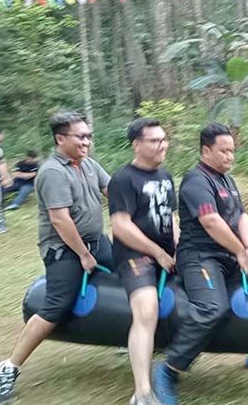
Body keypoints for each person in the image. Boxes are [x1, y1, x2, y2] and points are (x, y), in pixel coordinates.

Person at [0, 111, 113, 405]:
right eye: (81, 136)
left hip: (98, 242)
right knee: (56, 307)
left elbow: (114, 192)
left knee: (133, 275)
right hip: (64, 249)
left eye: (89, 136)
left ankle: (130, 338)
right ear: (60, 139)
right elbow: (60, 220)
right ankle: (8, 368)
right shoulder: (53, 171)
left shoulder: (89, 164)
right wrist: (84, 255)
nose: (87, 141)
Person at [152, 123, 248, 405]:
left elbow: (242, 216)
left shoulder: (228, 180)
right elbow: (210, 221)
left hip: (229, 255)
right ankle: (169, 367)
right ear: (206, 151)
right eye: (224, 151)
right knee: (212, 307)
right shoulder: (196, 180)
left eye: (232, 151)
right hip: (200, 257)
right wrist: (240, 250)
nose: (230, 156)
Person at [109, 119, 178, 405]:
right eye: (155, 140)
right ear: (137, 145)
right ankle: (142, 392)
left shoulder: (165, 175)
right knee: (147, 309)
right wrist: (157, 252)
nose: (162, 145)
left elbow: (171, 218)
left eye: (164, 139)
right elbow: (121, 226)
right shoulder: (123, 179)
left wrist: (177, 247)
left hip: (166, 252)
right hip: (135, 254)